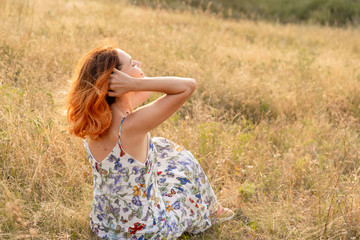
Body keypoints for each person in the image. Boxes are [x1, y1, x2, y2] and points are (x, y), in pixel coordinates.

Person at [67, 45, 234, 239]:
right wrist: (134, 84)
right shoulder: (130, 126)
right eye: (133, 64)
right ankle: (214, 212)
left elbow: (144, 91)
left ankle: (214, 210)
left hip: (105, 227)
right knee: (184, 168)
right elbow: (188, 86)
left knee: (164, 149)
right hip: (145, 232)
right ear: (118, 81)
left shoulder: (95, 120)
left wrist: (131, 82)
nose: (139, 65)